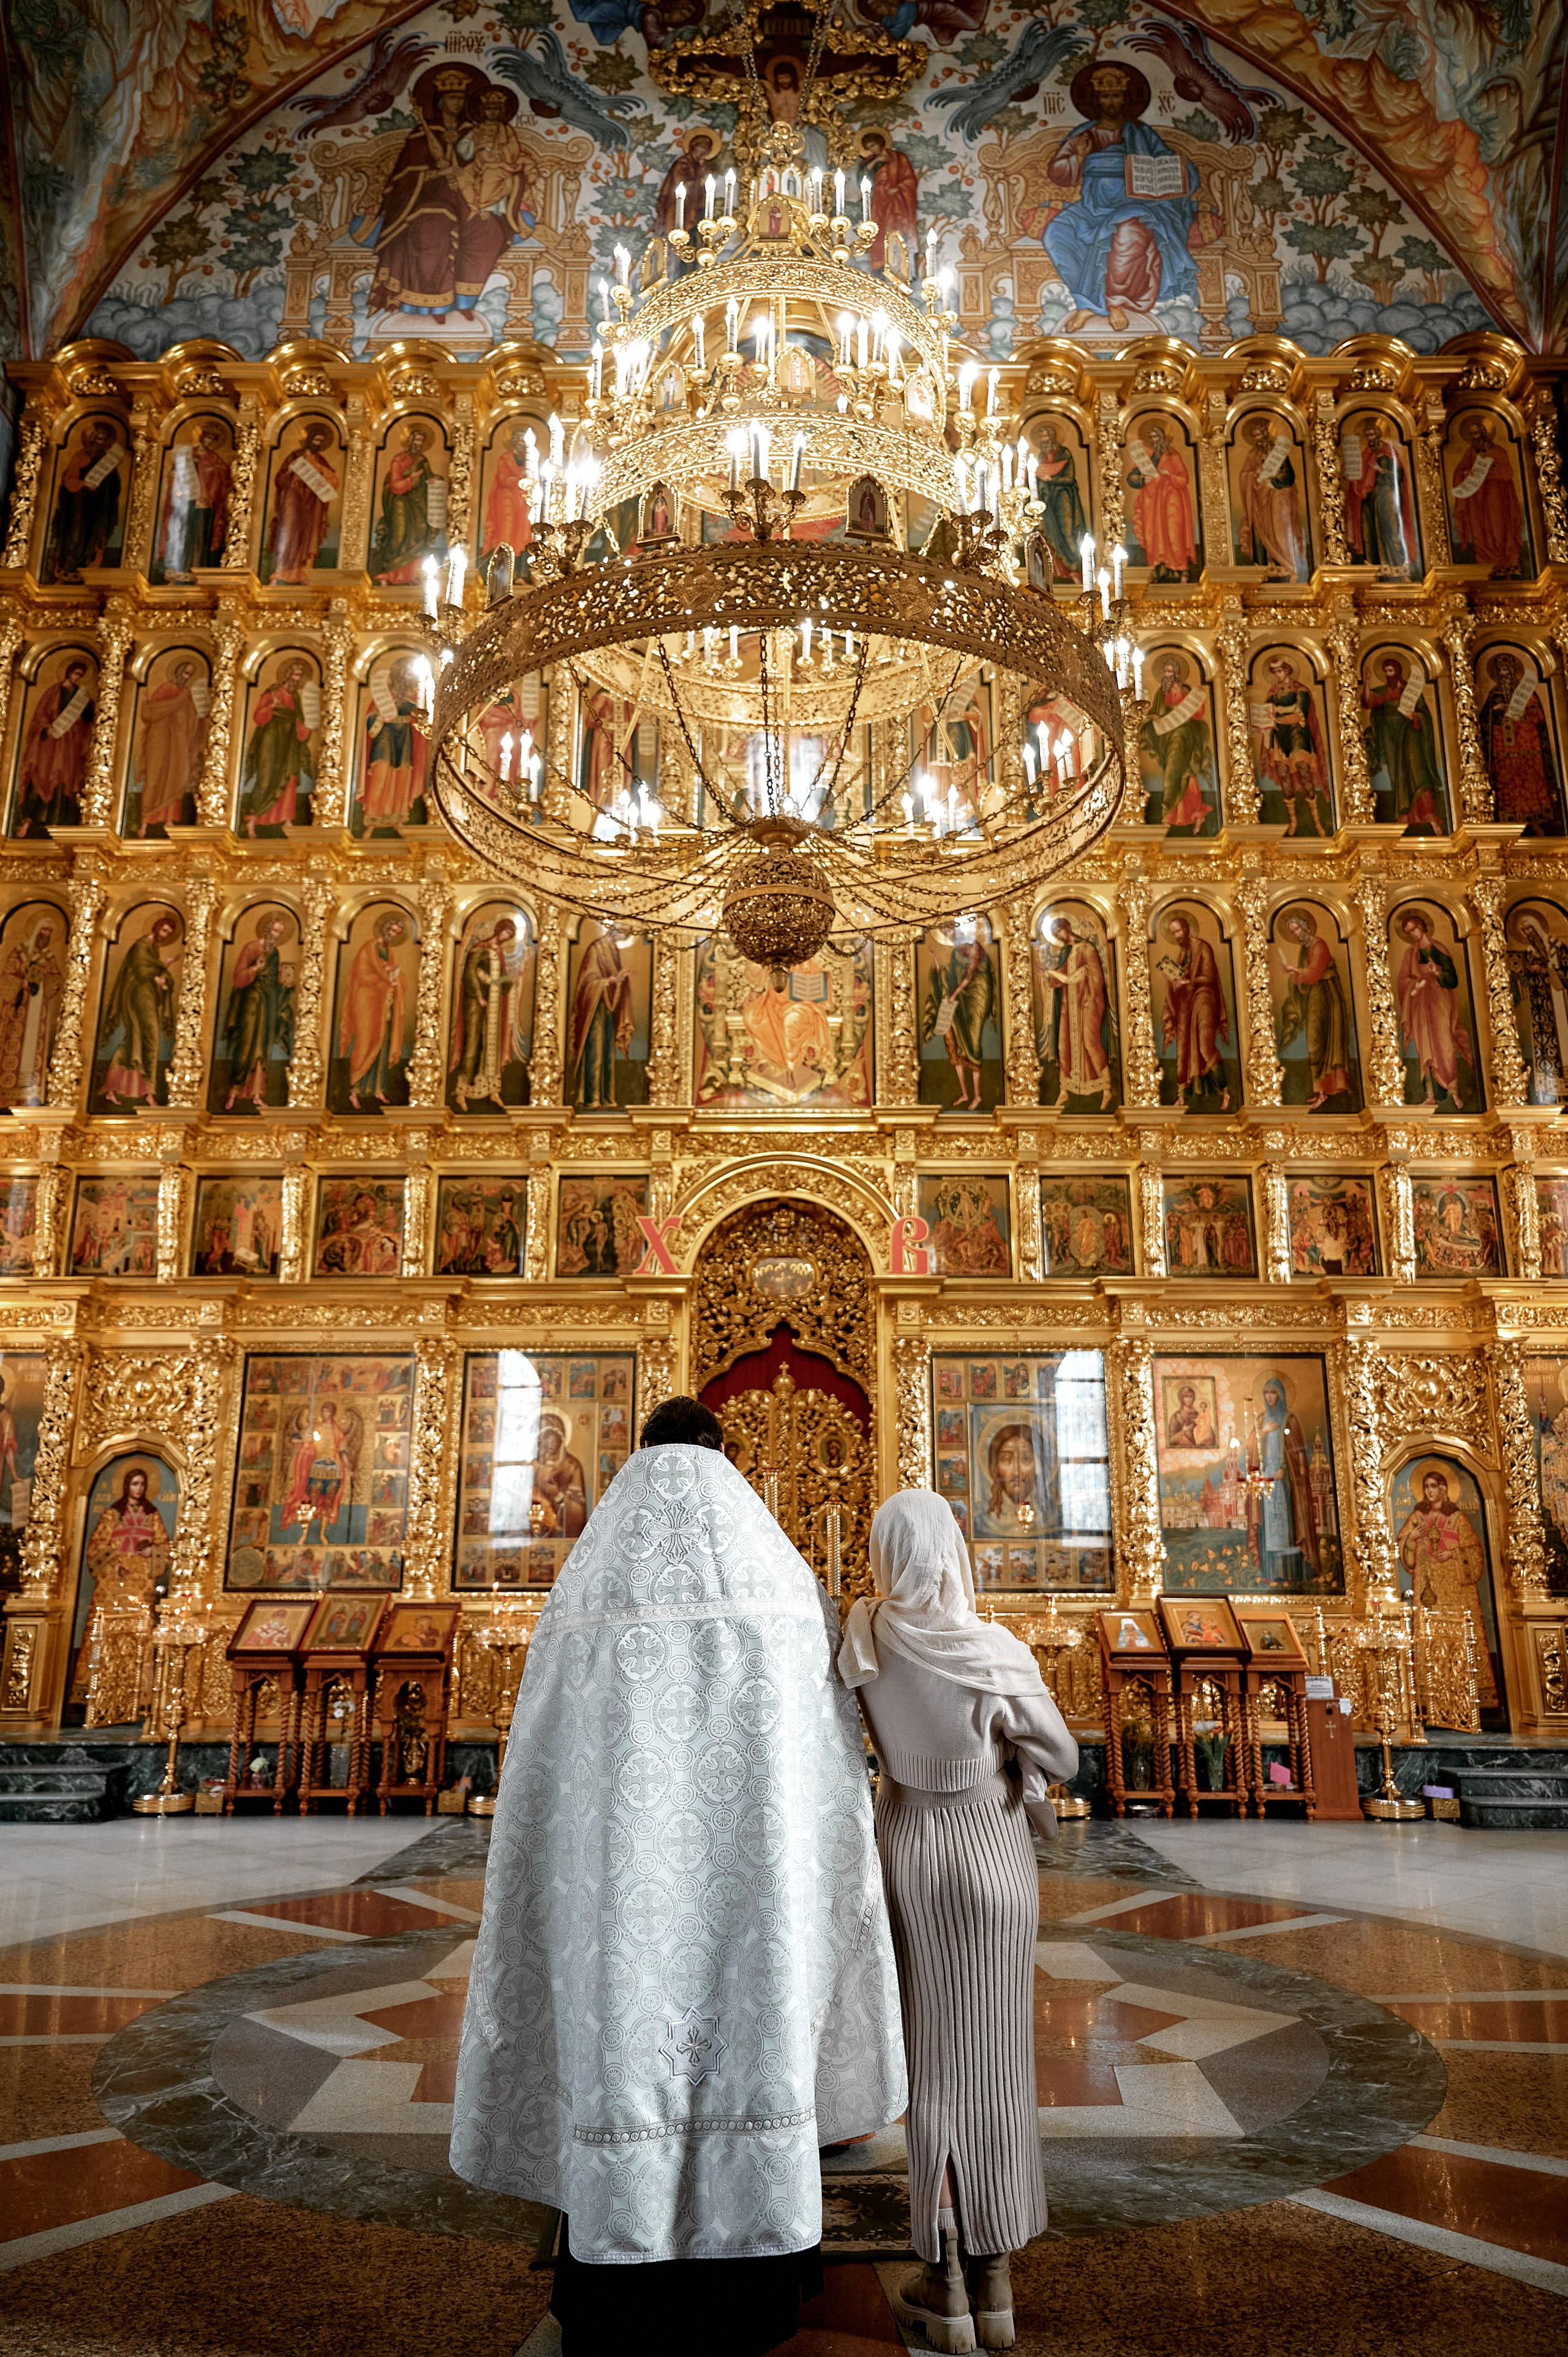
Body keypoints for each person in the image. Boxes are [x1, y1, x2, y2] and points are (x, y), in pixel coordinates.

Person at [451, 1395, 906, 2357]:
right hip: (754, 1907)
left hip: (623, 1913)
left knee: (623, 2052)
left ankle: (617, 2282)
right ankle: (753, 2286)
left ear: (637, 1456)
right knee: (756, 2044)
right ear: (725, 1458)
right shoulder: (780, 1587)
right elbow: (828, 1764)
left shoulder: (585, 1594)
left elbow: (539, 1767)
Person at [840, 1490, 1077, 2355]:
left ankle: (941, 2281)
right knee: (998, 2058)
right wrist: (1013, 1752)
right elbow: (1062, 1753)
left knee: (931, 2062)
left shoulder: (866, 1632)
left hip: (907, 1844)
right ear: (953, 1548)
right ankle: (996, 2278)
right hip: (990, 1847)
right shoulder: (992, 1648)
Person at [1274, 906, 1352, 1110]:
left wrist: (1296, 971)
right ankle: (1320, 1090)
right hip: (1316, 997)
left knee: (1322, 1041)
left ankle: (1328, 1090)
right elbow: (1306, 978)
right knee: (1315, 1042)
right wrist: (1296, 973)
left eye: (1297, 930)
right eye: (1293, 932)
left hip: (1326, 998)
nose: (1296, 934)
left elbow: (1315, 972)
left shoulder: (1318, 945)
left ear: (1305, 928)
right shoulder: (1305, 949)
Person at [130, 658, 205, 836]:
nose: (187, 677)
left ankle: (169, 819)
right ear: (178, 672)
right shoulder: (167, 689)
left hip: (179, 742)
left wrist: (201, 716)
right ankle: (145, 822)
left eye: (190, 675)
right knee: (155, 777)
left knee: (176, 777)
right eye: (186, 673)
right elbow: (152, 712)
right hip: (160, 740)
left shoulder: (187, 694)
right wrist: (152, 704)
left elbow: (192, 720)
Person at [265, 422, 340, 583]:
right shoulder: (294, 457)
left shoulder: (321, 461)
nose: (317, 444)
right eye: (316, 440)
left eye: (321, 441)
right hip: (293, 498)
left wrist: (319, 469)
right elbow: (279, 480)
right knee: (289, 530)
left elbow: (333, 483)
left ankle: (305, 571)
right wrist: (291, 471)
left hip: (313, 505)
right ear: (309, 440)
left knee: (310, 534)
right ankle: (281, 570)